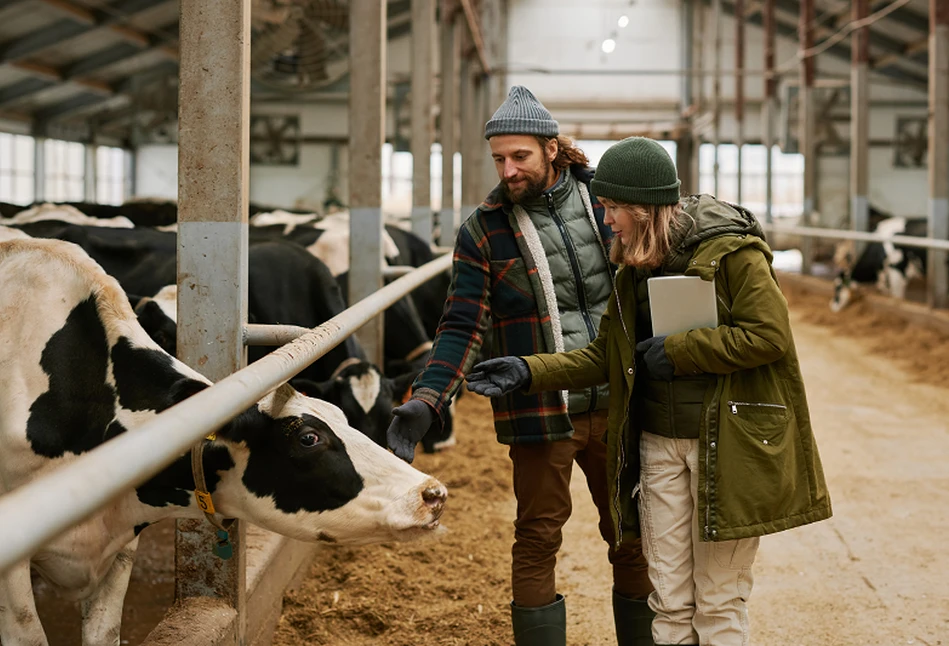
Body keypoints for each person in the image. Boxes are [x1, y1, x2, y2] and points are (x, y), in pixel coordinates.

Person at [466, 136, 833, 646]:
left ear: (642, 207)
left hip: (723, 445)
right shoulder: (634, 267)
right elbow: (603, 356)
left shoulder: (733, 252)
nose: (606, 217)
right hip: (658, 445)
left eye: (613, 207)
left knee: (720, 599)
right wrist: (529, 371)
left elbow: (769, 336)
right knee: (669, 597)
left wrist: (680, 350)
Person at [386, 87, 654, 646]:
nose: (508, 170)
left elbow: (660, 268)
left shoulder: (607, 204)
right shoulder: (484, 231)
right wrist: (428, 399)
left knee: (633, 536)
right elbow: (462, 327)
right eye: (499, 159)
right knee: (536, 537)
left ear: (552, 148)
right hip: (539, 409)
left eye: (520, 157)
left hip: (622, 403)